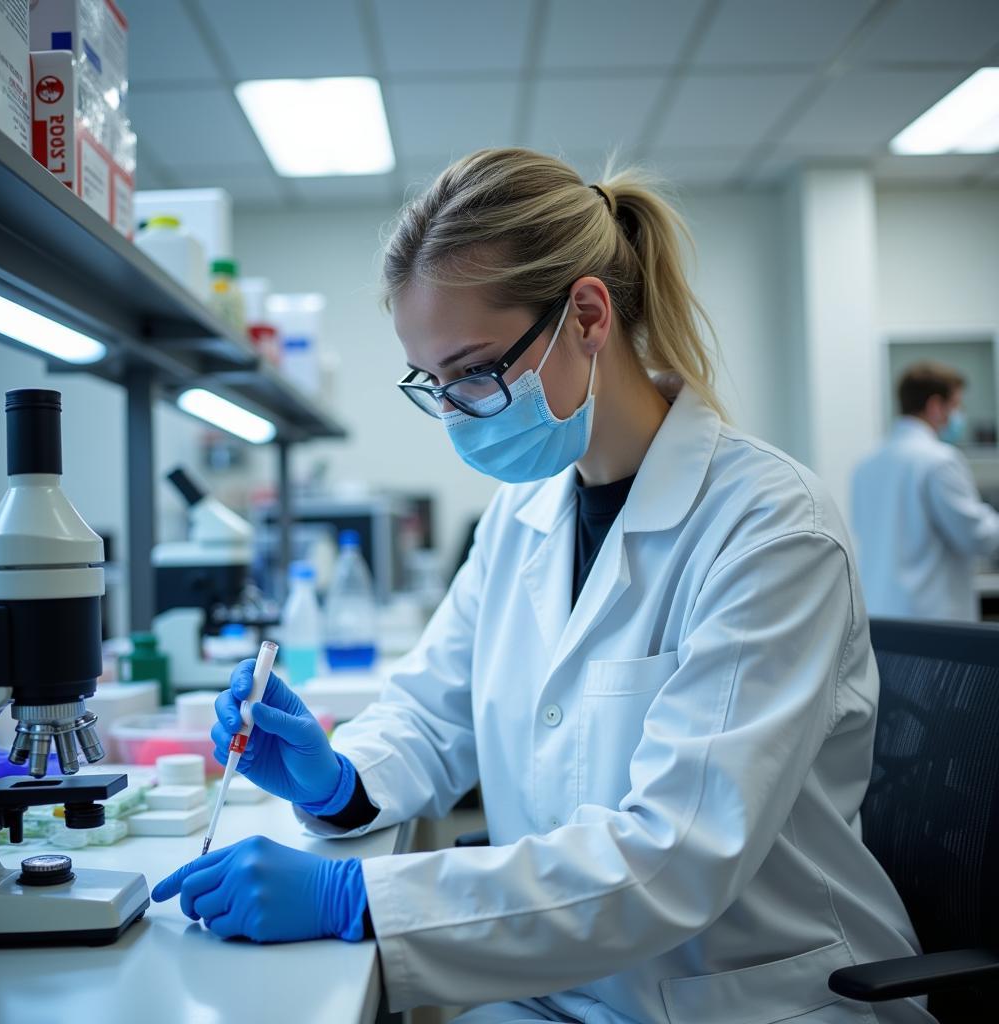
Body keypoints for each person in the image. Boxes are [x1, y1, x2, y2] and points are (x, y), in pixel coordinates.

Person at [153, 150, 933, 1024]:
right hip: (565, 988)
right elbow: (434, 707)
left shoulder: (769, 530)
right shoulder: (520, 514)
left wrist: (357, 898)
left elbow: (674, 857)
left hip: (743, 999)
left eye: (475, 371)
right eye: (434, 384)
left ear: (588, 316)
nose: (455, 413)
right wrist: (341, 780)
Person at [852, 361, 999, 621]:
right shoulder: (940, 460)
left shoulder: (866, 466)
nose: (958, 415)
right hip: (932, 618)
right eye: (956, 406)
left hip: (880, 615)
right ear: (935, 405)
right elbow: (976, 536)